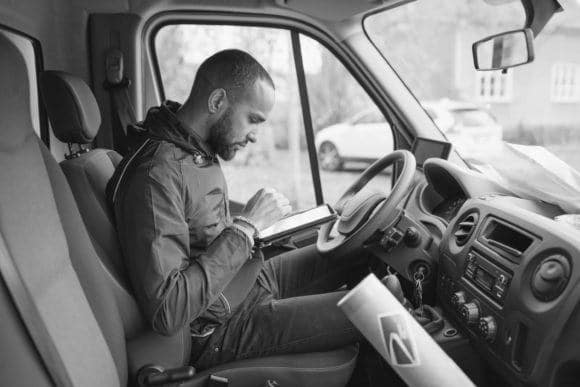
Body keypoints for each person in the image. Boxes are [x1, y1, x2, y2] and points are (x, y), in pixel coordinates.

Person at [107, 49, 371, 371]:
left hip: (245, 279)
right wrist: (245, 228)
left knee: (361, 249)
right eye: (253, 120)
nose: (255, 136)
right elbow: (169, 310)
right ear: (218, 102)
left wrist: (258, 229)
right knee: (376, 311)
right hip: (217, 327)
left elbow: (203, 235)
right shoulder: (155, 176)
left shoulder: (195, 149)